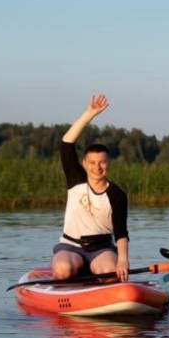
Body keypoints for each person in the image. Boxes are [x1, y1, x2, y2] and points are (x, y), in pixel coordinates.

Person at [51, 95, 129, 281]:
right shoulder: (76, 179)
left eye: (102, 162)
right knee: (62, 270)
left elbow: (121, 232)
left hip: (101, 249)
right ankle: (71, 269)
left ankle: (94, 273)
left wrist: (123, 260)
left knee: (110, 274)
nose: (97, 167)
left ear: (109, 163)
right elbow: (66, 144)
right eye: (92, 163)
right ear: (85, 164)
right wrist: (90, 114)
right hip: (71, 246)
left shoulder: (117, 195)